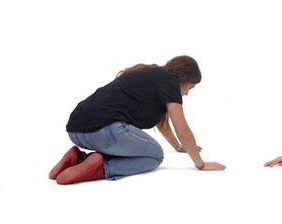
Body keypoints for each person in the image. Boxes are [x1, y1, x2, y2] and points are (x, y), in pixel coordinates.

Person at [51, 55, 225, 185]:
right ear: (184, 78)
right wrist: (201, 165)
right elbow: (183, 131)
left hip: (76, 131)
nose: (187, 93)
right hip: (104, 130)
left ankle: (79, 159)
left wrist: (179, 147)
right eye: (190, 87)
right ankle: (101, 168)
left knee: (142, 148)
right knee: (155, 156)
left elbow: (163, 125)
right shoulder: (170, 81)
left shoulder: (152, 75)